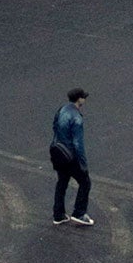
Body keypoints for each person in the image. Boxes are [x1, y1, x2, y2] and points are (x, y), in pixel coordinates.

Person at [50, 88, 94, 226]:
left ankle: (58, 215)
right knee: (85, 182)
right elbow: (78, 143)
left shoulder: (62, 109)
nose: (84, 100)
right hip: (70, 155)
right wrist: (83, 163)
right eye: (83, 97)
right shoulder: (76, 117)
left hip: (57, 151)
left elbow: (54, 127)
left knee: (62, 182)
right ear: (79, 99)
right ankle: (79, 213)